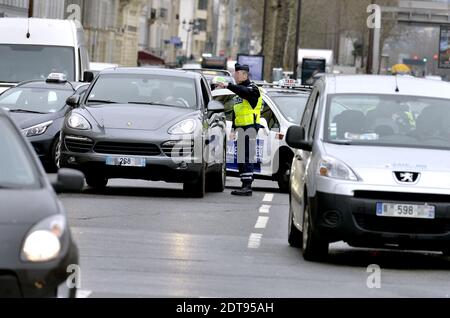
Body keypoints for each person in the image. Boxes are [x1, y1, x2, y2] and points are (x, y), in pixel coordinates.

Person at [217, 63, 263, 196]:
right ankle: (244, 184)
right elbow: (237, 113)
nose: (235, 76)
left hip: (250, 128)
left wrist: (229, 86)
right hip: (241, 128)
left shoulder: (253, 88)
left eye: (237, 74)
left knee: (246, 156)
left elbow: (245, 92)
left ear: (244, 74)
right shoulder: (239, 92)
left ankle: (247, 186)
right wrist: (233, 130)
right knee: (241, 157)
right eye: (235, 74)